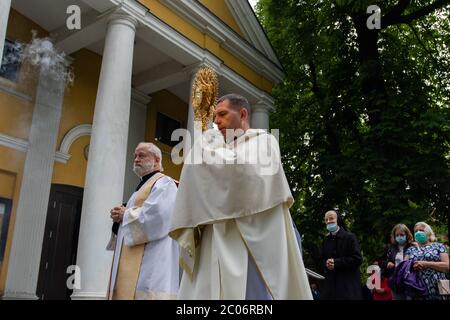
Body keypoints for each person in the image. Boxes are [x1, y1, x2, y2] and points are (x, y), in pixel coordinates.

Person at [169, 94, 312, 299]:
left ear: (243, 114)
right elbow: (194, 177)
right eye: (215, 116)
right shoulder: (217, 147)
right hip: (215, 237)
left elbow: (241, 173)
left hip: (251, 240)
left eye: (222, 114)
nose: (216, 122)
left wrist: (206, 146)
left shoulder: (264, 141)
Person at [107, 142, 179, 300]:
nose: (136, 159)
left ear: (157, 159)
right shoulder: (142, 188)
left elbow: (158, 216)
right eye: (135, 156)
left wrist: (125, 215)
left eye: (142, 155)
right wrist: (119, 218)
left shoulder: (165, 184)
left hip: (153, 257)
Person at [320, 210, 362, 300]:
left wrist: (336, 262)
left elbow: (357, 259)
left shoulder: (350, 237)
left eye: (331, 218)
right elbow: (321, 259)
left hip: (348, 288)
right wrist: (326, 264)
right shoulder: (325, 241)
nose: (328, 221)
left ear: (338, 220)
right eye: (326, 219)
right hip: (331, 288)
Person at [404, 222, 449, 300]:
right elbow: (404, 268)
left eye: (421, 230)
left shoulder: (438, 246)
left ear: (428, 233)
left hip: (439, 288)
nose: (418, 232)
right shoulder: (410, 249)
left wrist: (427, 264)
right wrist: (412, 266)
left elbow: (446, 266)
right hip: (418, 289)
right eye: (416, 231)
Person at [380, 223, 415, 300]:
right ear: (394, 236)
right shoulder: (390, 248)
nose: (399, 237)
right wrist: (387, 263)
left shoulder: (413, 247)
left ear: (407, 235)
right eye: (397, 235)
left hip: (410, 282)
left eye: (402, 235)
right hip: (396, 282)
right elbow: (381, 262)